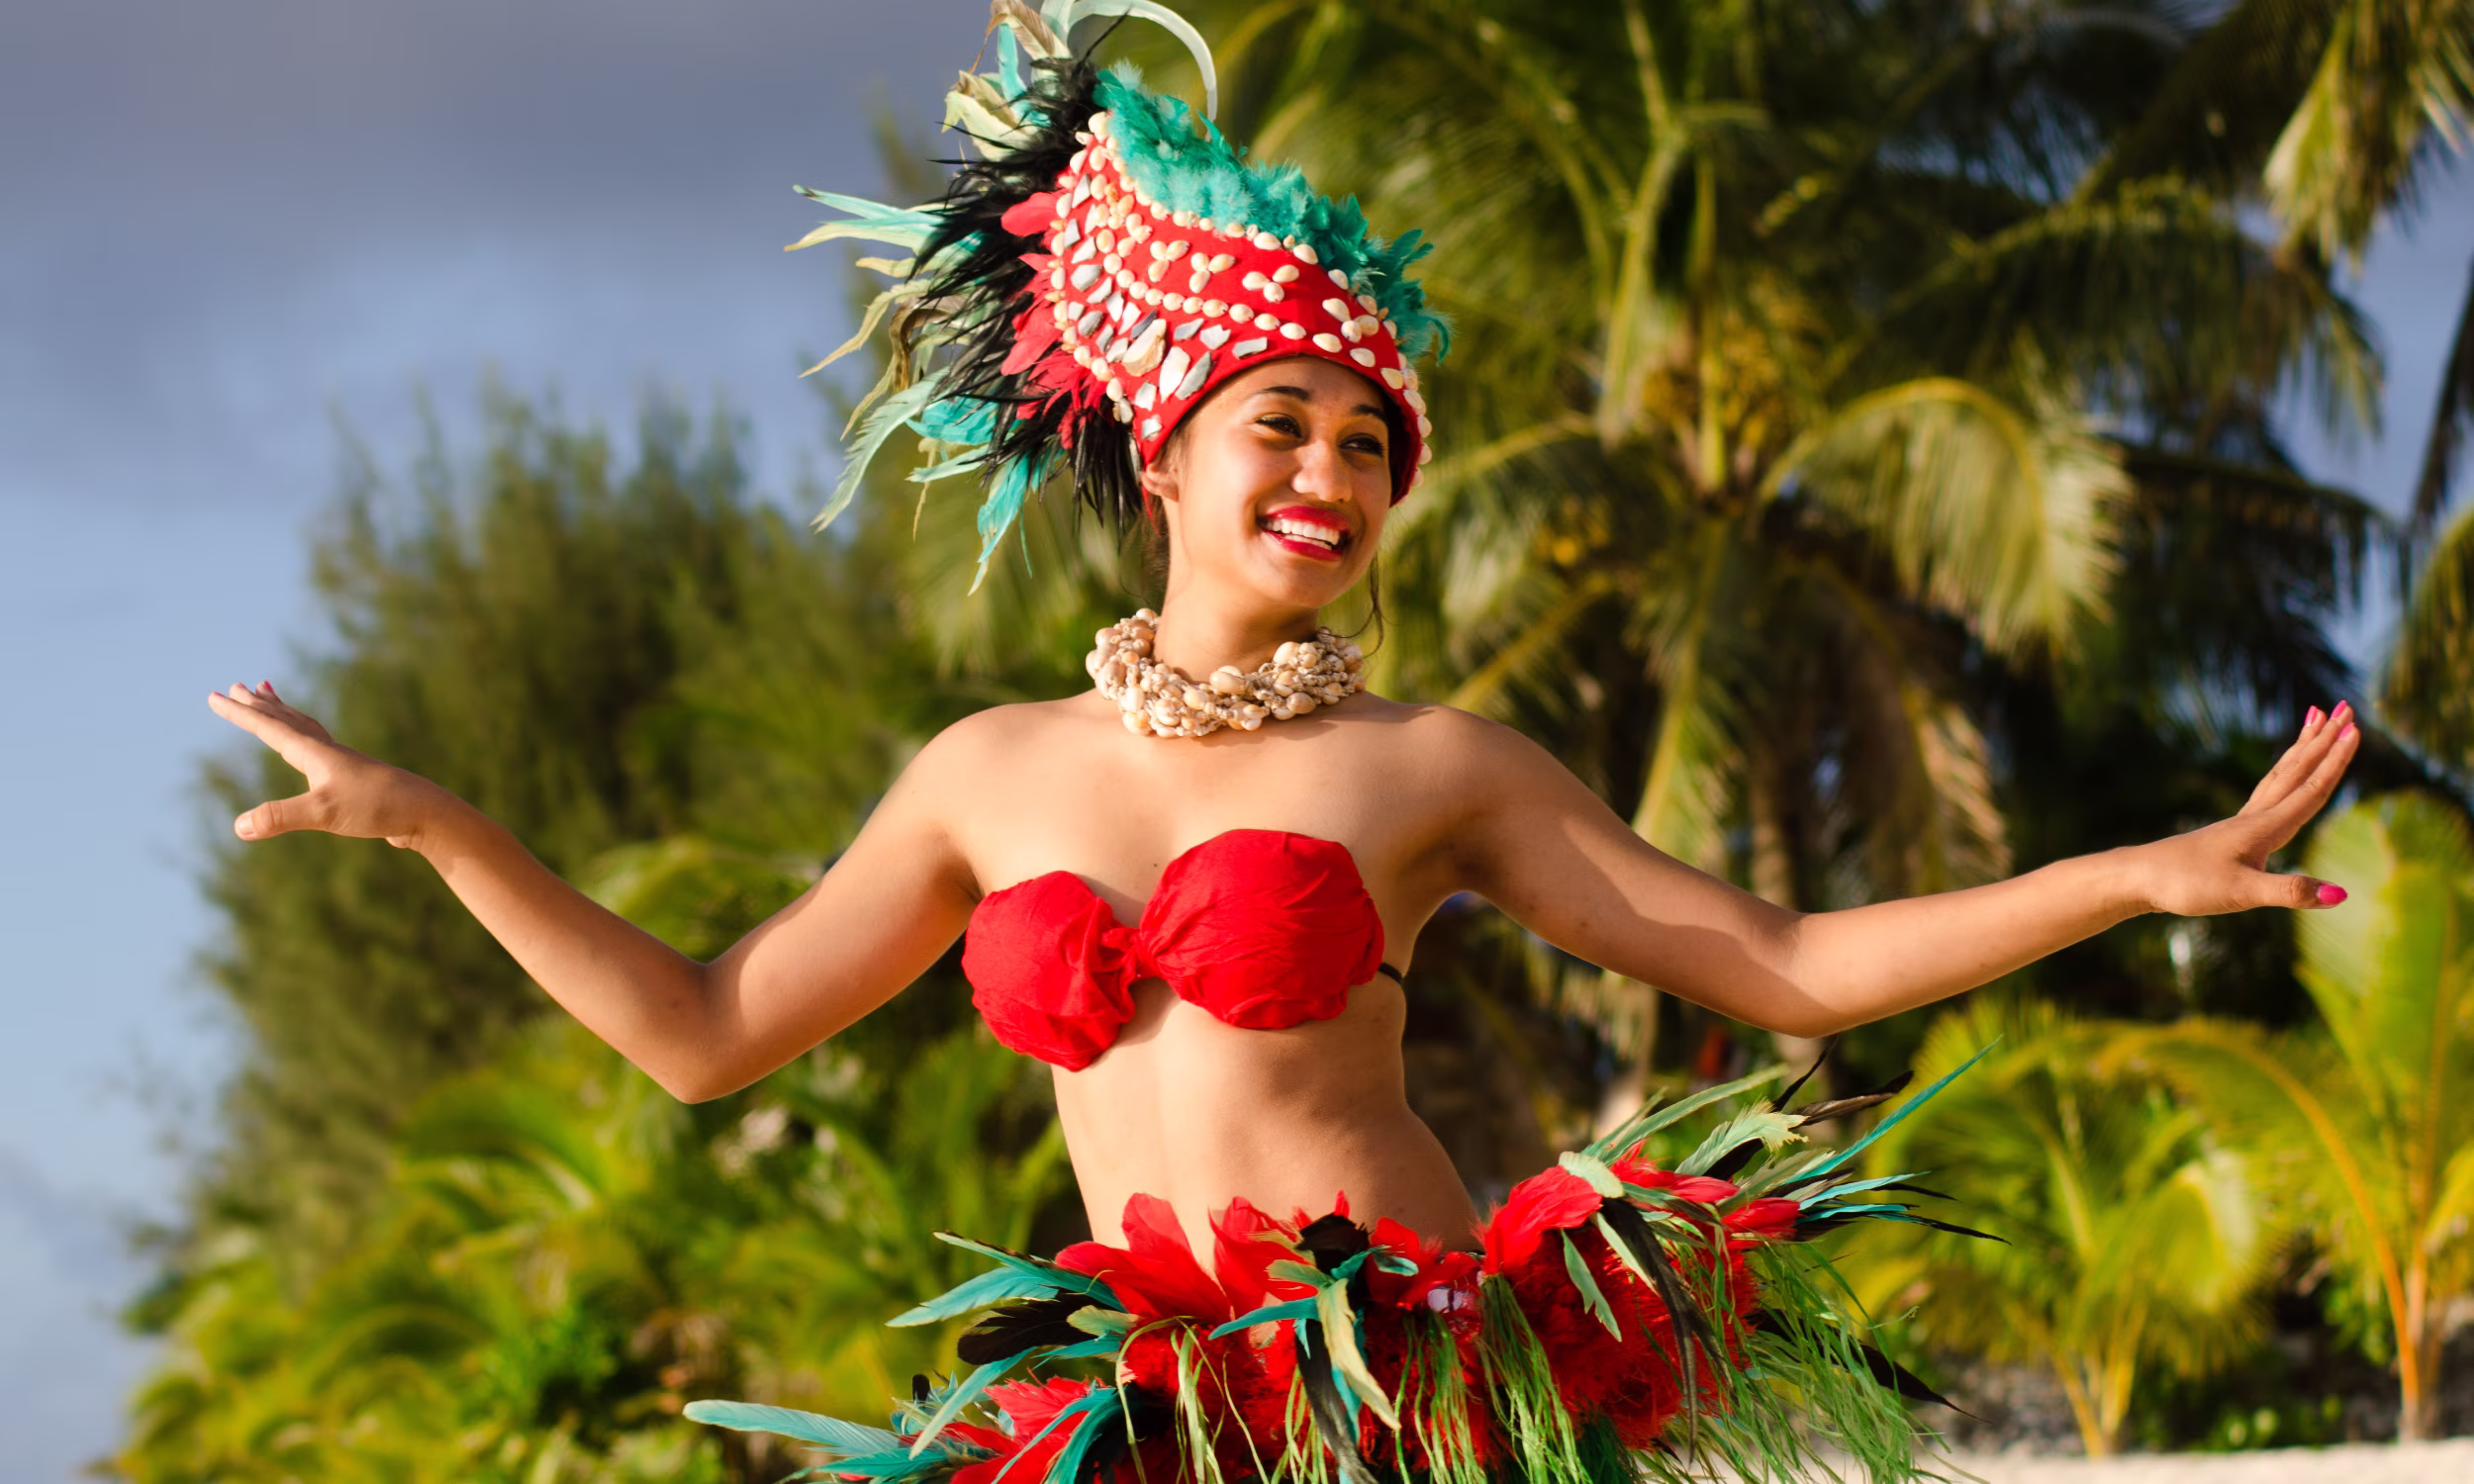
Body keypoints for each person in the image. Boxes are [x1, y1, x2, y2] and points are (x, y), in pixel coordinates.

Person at [206, 6, 2358, 1481]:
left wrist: (2125, 876)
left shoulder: (1433, 768)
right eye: (1282, 424)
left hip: (1402, 1403)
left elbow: (1777, 966)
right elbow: (697, 1032)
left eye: (1368, 442)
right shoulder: (986, 772)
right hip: (1128, 1428)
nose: (1328, 470)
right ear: (1166, 445)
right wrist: (431, 828)